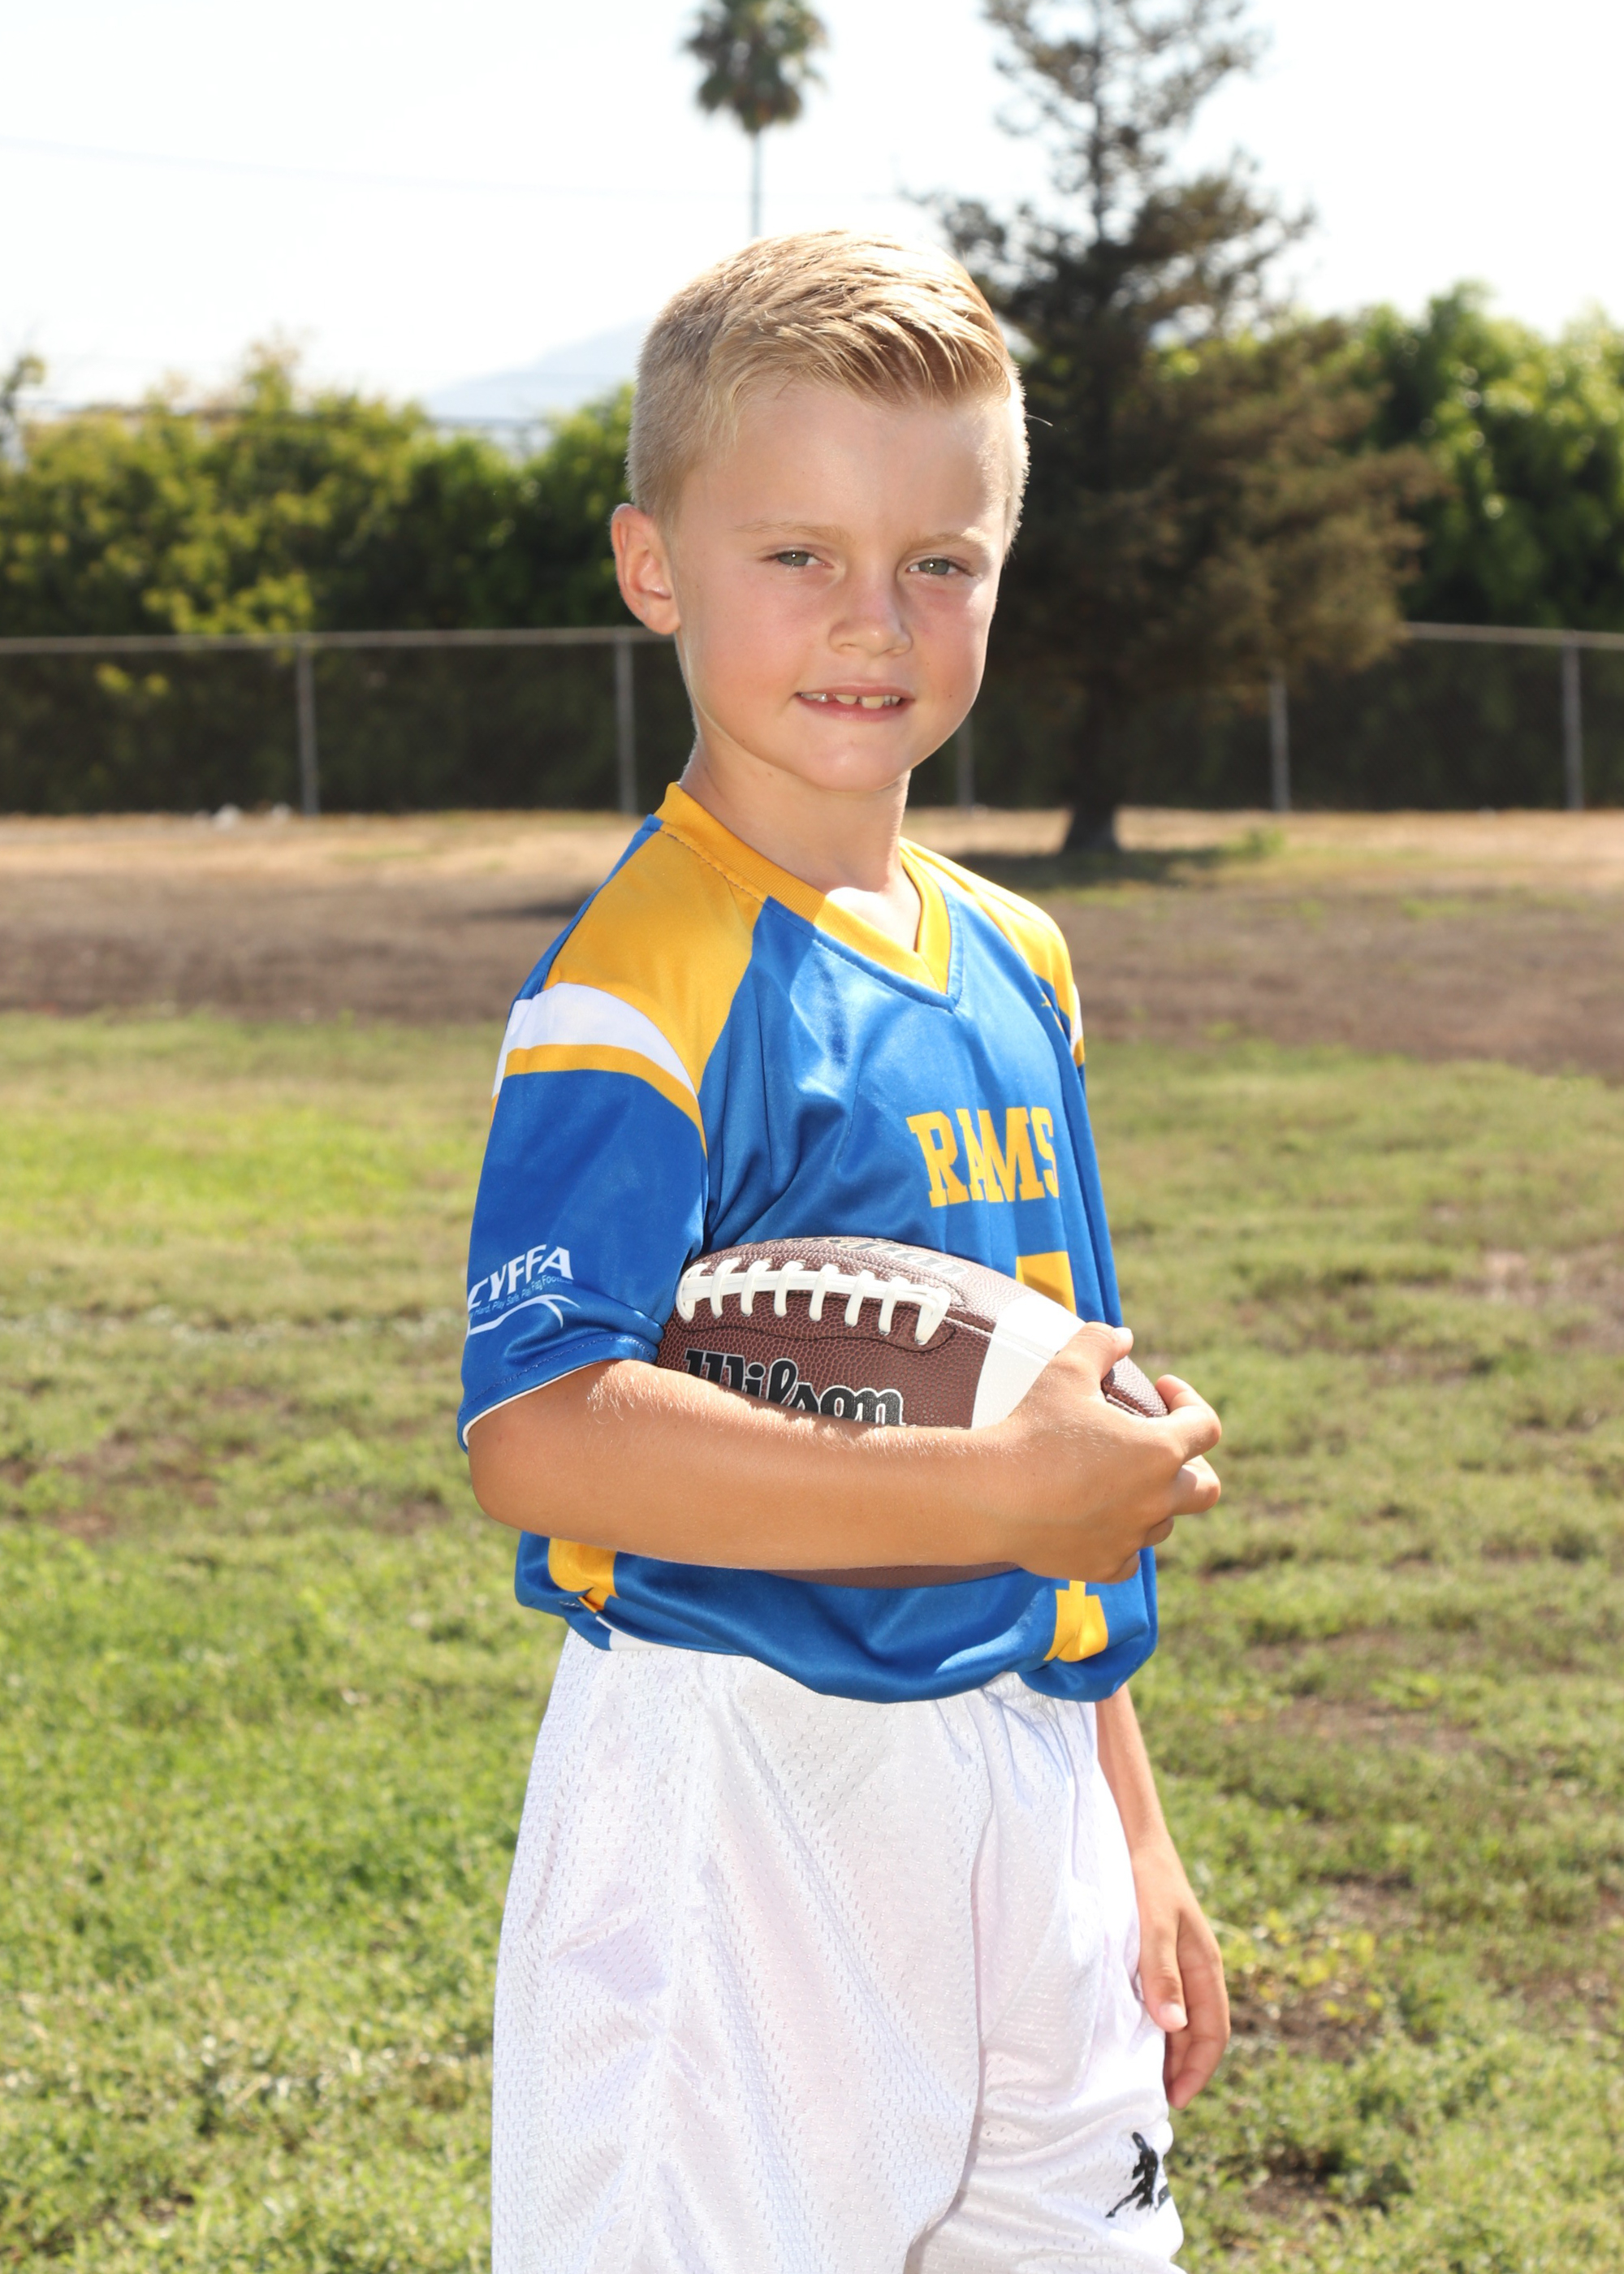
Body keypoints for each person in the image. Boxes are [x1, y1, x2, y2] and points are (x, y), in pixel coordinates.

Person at [460, 230, 1228, 2274]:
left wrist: (1128, 1822)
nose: (871, 618)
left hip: (1025, 1775)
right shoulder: (641, 979)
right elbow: (538, 1430)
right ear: (654, 566)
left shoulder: (1017, 961)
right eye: (795, 552)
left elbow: (1059, 1424)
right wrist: (995, 1490)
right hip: (744, 1779)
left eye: (938, 560)